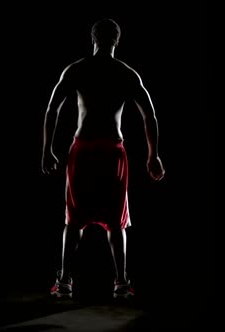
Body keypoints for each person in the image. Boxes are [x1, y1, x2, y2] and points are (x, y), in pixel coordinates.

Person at [41, 18, 165, 299]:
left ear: (93, 39)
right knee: (116, 221)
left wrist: (47, 149)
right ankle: (121, 284)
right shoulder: (126, 73)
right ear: (117, 41)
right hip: (111, 151)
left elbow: (52, 109)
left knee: (74, 220)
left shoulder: (78, 69)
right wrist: (153, 155)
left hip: (84, 150)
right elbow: (150, 115)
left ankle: (64, 284)